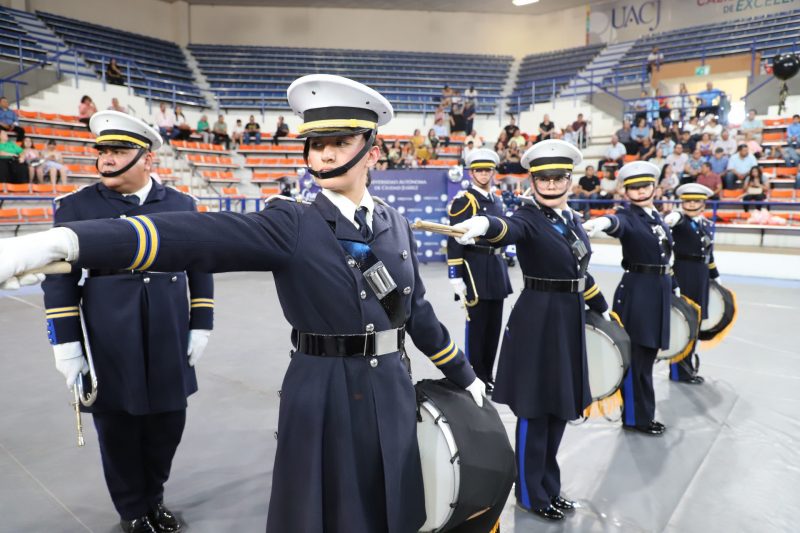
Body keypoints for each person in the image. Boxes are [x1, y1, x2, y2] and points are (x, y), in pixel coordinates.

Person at [0, 75, 485, 533]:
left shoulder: (395, 224)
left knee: (390, 501)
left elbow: (416, 312)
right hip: (324, 392)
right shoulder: (292, 222)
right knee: (326, 509)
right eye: (316, 143)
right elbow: (194, 236)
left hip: (391, 387)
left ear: (372, 151)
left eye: (339, 142)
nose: (325, 153)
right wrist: (68, 242)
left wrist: (463, 373)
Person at [40, 111, 215, 533]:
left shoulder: (181, 204)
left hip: (169, 326)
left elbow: (201, 264)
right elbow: (59, 281)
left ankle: (154, 497)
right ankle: (133, 509)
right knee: (118, 423)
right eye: (103, 151)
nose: (106, 159)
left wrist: (201, 321)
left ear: (147, 159)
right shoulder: (76, 206)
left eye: (118, 151)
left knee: (169, 421)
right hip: (109, 328)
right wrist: (66, 344)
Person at [454, 139, 610, 521]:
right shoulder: (528, 216)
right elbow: (508, 229)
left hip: (568, 319)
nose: (551, 184)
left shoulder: (571, 219)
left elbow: (579, 271)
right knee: (535, 408)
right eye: (543, 178)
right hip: (538, 321)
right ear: (532, 180)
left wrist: (602, 307)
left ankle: (549, 486)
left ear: (569, 179)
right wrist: (484, 225)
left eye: (558, 177)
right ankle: (529, 493)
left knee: (559, 408)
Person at [583, 161, 677, 436]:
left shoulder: (656, 217)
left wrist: (673, 284)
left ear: (655, 187)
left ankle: (642, 413)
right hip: (639, 293)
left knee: (647, 357)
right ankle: (637, 418)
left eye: (645, 186)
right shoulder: (629, 216)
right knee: (637, 360)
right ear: (626, 192)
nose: (640, 191)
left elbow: (665, 256)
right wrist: (601, 222)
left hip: (657, 291)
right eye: (634, 188)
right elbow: (616, 223)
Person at [447, 149, 512, 394]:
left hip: (496, 269)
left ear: (493, 172)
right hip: (474, 269)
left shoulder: (497, 200)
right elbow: (454, 238)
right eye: (479, 170)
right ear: (471, 173)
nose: (484, 174)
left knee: (493, 328)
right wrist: (455, 276)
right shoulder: (465, 201)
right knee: (477, 329)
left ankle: (488, 375)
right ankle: (475, 377)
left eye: (488, 170)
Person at [663, 183, 720, 384]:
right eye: (687, 201)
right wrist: (672, 216)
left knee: (695, 321)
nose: (692, 204)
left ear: (703, 204)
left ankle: (687, 366)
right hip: (684, 274)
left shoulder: (706, 224)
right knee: (683, 322)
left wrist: (714, 274)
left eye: (696, 201)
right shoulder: (681, 221)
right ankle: (679, 371)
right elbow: (674, 220)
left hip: (701, 276)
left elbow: (709, 253)